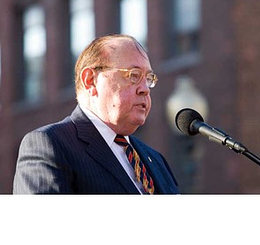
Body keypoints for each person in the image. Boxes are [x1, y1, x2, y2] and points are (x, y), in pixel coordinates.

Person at [13, 34, 179, 194]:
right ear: (90, 80)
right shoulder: (49, 145)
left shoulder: (156, 160)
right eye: (134, 75)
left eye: (148, 78)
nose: (144, 89)